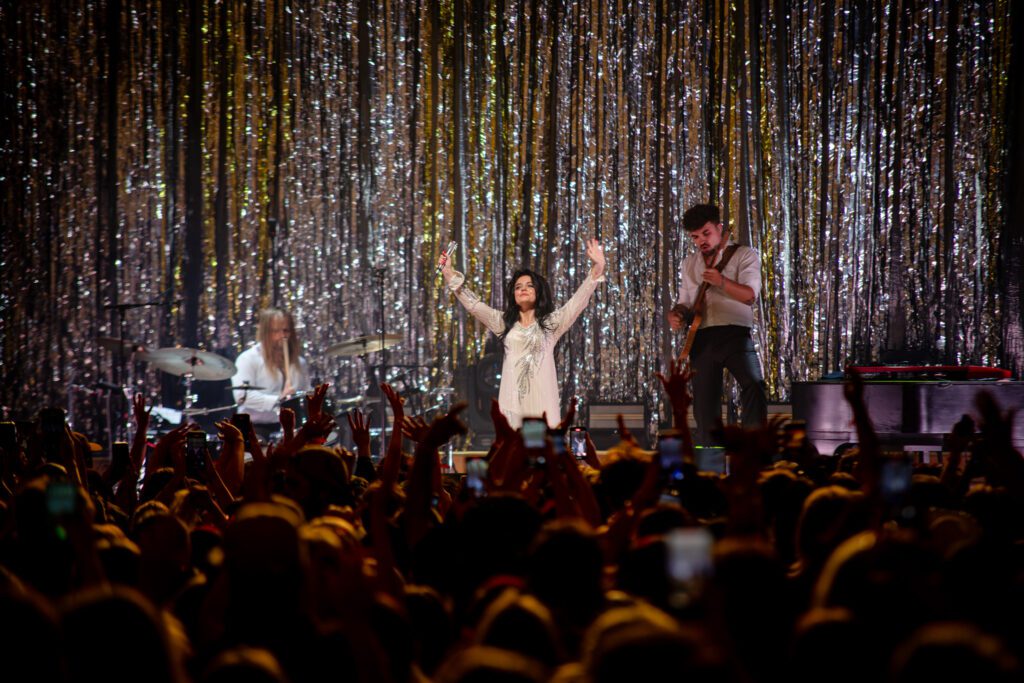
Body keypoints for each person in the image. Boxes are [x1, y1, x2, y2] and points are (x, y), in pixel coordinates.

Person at [440, 239, 606, 428]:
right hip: (512, 407)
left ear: (538, 291)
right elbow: (474, 305)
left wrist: (598, 267)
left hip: (542, 407)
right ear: (513, 294)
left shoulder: (552, 323)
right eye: (518, 287)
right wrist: (449, 274)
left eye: (529, 285)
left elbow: (579, 300)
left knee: (542, 453)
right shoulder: (504, 323)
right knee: (514, 454)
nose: (523, 289)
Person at [667, 204, 766, 445]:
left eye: (706, 233)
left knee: (754, 383)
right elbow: (686, 302)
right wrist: (677, 314)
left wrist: (721, 281)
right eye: (695, 237)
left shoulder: (744, 255)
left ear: (719, 228)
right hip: (702, 336)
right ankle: (709, 461)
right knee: (704, 404)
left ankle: (754, 447)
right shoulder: (689, 263)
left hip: (735, 334)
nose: (701, 240)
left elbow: (750, 296)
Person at [231, 308, 311, 433]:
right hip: (254, 428)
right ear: (265, 333)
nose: (282, 336)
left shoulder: (300, 363)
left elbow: (306, 394)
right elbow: (242, 396)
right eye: (276, 331)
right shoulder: (248, 359)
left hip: (289, 428)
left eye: (286, 330)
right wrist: (279, 401)